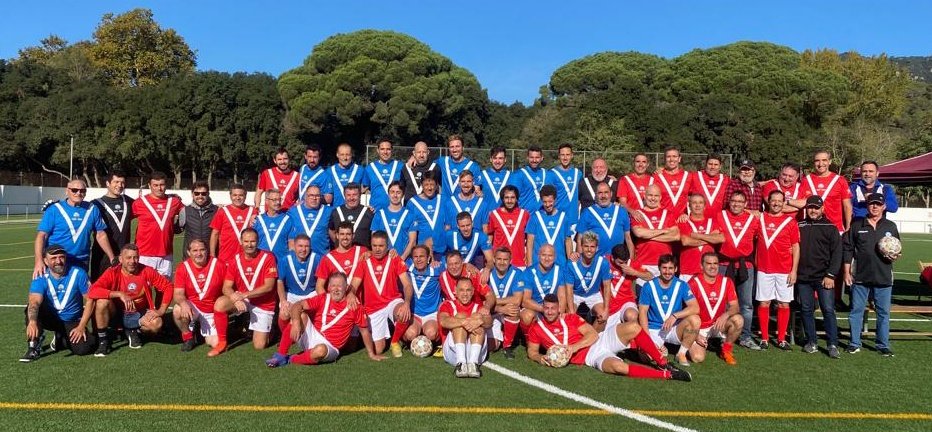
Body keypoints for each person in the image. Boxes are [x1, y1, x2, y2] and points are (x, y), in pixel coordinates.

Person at [527, 294, 691, 382]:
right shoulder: (536, 328)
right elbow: (532, 352)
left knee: (634, 326)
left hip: (599, 340)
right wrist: (540, 357)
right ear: (542, 308)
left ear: (558, 308)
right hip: (592, 357)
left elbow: (591, 333)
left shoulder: (569, 318)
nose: (549, 312)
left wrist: (573, 347)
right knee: (619, 368)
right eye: (546, 308)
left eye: (552, 308)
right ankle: (668, 376)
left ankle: (663, 364)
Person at [266, 272, 383, 367]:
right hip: (312, 336)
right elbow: (297, 305)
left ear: (346, 288)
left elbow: (364, 331)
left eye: (340, 286)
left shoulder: (354, 306)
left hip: (330, 347)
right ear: (328, 287)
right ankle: (280, 355)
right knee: (300, 315)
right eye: (333, 285)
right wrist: (296, 322)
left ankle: (292, 359)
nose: (336, 289)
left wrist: (371, 354)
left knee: (320, 350)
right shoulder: (323, 298)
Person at [88, 243, 173, 356]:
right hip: (117, 314)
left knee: (156, 324)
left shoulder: (146, 270)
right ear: (121, 259)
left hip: (138, 312)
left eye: (135, 257)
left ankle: (132, 330)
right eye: (128, 258)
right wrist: (118, 294)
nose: (132, 261)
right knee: (102, 302)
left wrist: (161, 310)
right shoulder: (112, 272)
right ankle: (103, 342)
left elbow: (168, 287)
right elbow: (93, 291)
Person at [844, 193, 900, 356]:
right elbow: (848, 248)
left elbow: (897, 248)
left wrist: (896, 254)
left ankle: (883, 345)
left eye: (878, 204)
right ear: (867, 206)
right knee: (856, 311)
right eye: (871, 204)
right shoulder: (857, 225)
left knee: (883, 313)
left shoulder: (890, 226)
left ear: (883, 207)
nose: (874, 206)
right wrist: (847, 271)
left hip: (883, 277)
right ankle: (854, 343)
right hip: (860, 277)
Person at [209, 229, 279, 357]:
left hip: (263, 302)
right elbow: (226, 287)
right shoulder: (235, 259)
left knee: (259, 346)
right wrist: (234, 297)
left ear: (258, 242)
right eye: (246, 241)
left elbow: (269, 287)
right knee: (220, 304)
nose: (249, 244)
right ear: (241, 242)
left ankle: (272, 328)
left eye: (253, 241)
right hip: (243, 300)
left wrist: (243, 295)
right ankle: (222, 343)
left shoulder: (268, 257)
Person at [21, 245, 96, 362]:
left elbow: (90, 299)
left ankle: (61, 337)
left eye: (61, 257)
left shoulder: (79, 273)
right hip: (51, 318)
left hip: (71, 319)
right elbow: (34, 301)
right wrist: (32, 321)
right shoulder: (40, 276)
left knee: (84, 348)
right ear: (45, 261)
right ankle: (33, 347)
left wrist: (81, 326)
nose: (58, 261)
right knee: (32, 309)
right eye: (53, 258)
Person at [349, 231, 413, 357]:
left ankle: (394, 342)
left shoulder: (394, 258)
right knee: (378, 349)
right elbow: (354, 285)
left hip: (392, 301)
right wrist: (351, 293)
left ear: (387, 246)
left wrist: (406, 303)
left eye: (381, 246)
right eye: (374, 246)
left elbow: (407, 284)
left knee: (403, 312)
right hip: (373, 308)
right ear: (370, 245)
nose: (377, 249)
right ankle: (384, 335)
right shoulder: (364, 260)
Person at [34, 178, 114, 279]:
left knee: (80, 293)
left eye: (82, 190)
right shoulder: (54, 209)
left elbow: (101, 235)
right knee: (55, 292)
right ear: (67, 191)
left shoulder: (92, 209)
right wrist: (39, 261)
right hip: (57, 259)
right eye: (74, 190)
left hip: (81, 260)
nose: (78, 193)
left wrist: (112, 257)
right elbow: (42, 236)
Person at [797, 196, 842, 358]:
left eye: (816, 208)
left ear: (822, 209)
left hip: (824, 278)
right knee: (806, 309)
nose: (813, 211)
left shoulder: (830, 227)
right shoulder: (799, 225)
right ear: (806, 209)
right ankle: (812, 341)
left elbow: (837, 253)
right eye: (810, 207)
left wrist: (831, 275)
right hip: (803, 278)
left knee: (828, 310)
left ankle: (832, 344)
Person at [754, 190, 800, 350]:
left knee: (784, 305)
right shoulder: (759, 218)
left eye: (780, 201)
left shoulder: (790, 222)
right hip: (764, 268)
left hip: (784, 270)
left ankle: (781, 338)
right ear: (769, 201)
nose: (776, 203)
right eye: (773, 200)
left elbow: (795, 246)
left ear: (783, 203)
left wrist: (794, 270)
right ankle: (765, 338)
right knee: (764, 303)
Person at [714, 190, 760, 350]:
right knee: (723, 302)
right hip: (723, 265)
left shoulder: (753, 220)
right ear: (729, 202)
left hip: (745, 266)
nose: (736, 204)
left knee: (746, 304)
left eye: (740, 202)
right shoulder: (720, 216)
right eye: (734, 201)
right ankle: (722, 335)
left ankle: (745, 336)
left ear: (746, 204)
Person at [638, 254, 701, 366]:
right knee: (647, 357)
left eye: (671, 268)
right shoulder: (648, 286)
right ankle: (658, 346)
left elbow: (695, 307)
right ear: (659, 268)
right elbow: (642, 313)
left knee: (695, 320)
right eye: (664, 268)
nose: (667, 272)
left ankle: (681, 353)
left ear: (676, 269)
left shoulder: (682, 285)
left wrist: (675, 316)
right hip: (654, 329)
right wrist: (647, 338)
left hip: (674, 328)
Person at [686, 253, 743, 365]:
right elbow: (686, 312)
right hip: (699, 327)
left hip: (718, 324)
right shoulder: (693, 283)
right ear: (701, 266)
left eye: (715, 263)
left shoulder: (727, 281)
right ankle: (689, 342)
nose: (713, 266)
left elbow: (735, 306)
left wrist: (725, 315)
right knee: (698, 358)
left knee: (738, 320)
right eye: (709, 263)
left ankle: (726, 350)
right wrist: (696, 334)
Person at [172, 239, 225, 353]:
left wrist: (220, 314)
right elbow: (178, 294)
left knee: (215, 343)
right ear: (188, 252)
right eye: (195, 250)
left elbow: (227, 290)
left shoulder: (219, 265)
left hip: (212, 310)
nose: (199, 253)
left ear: (207, 250)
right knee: (178, 309)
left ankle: (198, 331)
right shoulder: (183, 267)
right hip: (193, 307)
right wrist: (183, 304)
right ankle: (188, 337)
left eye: (202, 250)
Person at [438, 277, 493, 378]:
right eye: (461, 290)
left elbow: (489, 322)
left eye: (468, 290)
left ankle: (473, 364)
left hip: (476, 351)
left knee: (477, 317)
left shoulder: (478, 306)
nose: (465, 294)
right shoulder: (447, 304)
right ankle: (461, 364)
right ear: (455, 291)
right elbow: (443, 321)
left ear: (472, 291)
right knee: (460, 317)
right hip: (453, 352)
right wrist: (465, 322)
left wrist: (479, 321)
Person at [132, 171, 183, 277]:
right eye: (155, 185)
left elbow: (188, 212)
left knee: (164, 290)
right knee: (144, 290)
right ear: (150, 185)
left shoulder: (174, 202)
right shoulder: (139, 203)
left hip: (166, 254)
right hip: (144, 254)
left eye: (162, 185)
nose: (159, 188)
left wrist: (179, 227)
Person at [482, 247, 525, 358]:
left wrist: (493, 301)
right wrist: (499, 308)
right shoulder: (485, 273)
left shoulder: (517, 273)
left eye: (505, 259)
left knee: (514, 310)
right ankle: (495, 339)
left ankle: (507, 345)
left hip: (506, 310)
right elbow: (481, 302)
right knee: (491, 346)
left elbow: (517, 299)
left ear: (510, 261)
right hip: (491, 312)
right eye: (499, 259)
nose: (502, 262)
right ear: (494, 260)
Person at [91, 171, 134, 280]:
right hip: (102, 257)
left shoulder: (129, 201)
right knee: (100, 292)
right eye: (116, 182)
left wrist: (169, 196)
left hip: (124, 256)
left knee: (123, 292)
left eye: (122, 182)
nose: (120, 185)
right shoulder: (95, 204)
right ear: (107, 183)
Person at [276, 234, 322, 337]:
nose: (303, 249)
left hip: (311, 293)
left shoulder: (317, 258)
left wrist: (321, 299)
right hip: (292, 294)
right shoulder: (285, 260)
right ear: (294, 246)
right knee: (284, 313)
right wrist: (283, 301)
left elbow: (321, 281)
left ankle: (313, 334)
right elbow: (280, 282)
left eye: (306, 246)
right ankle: (287, 337)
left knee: (315, 314)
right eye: (300, 246)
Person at [631, 184, 680, 279]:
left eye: (656, 196)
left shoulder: (668, 214)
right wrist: (664, 230)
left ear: (660, 197)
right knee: (644, 292)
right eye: (650, 195)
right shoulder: (637, 214)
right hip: (643, 264)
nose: (653, 198)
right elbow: (639, 233)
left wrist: (648, 235)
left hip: (665, 265)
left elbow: (676, 236)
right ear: (644, 196)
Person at [576, 181, 634, 259]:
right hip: (595, 261)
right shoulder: (587, 212)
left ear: (611, 194)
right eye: (600, 193)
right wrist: (581, 261)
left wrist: (631, 261)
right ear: (595, 195)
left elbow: (628, 238)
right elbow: (580, 239)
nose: (603, 196)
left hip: (617, 261)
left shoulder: (622, 211)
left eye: (606, 192)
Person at [567, 231, 612, 331]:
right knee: (570, 317)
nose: (589, 250)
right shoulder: (572, 264)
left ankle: (592, 341)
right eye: (586, 246)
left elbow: (607, 286)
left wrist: (606, 309)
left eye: (592, 247)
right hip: (576, 295)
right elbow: (569, 289)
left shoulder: (603, 263)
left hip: (594, 294)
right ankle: (575, 340)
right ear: (581, 247)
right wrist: (571, 310)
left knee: (603, 316)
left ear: (597, 248)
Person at [404, 245, 444, 352]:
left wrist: (469, 266)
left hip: (431, 314)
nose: (418, 259)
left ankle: (437, 341)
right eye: (415, 257)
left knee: (431, 333)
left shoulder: (437, 269)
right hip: (414, 314)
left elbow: (455, 263)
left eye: (422, 256)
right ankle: (408, 337)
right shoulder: (407, 269)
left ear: (428, 258)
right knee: (410, 334)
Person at [520, 245, 570, 330]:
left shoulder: (560, 271)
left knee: (566, 316)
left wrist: (558, 312)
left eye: (550, 255)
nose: (547, 259)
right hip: (536, 308)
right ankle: (530, 341)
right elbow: (525, 301)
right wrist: (545, 309)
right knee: (527, 316)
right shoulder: (528, 272)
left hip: (553, 309)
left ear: (555, 257)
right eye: (543, 255)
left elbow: (561, 297)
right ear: (538, 256)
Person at [803, 150, 852, 233]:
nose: (820, 164)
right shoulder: (806, 180)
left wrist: (848, 227)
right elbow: (801, 203)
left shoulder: (840, 180)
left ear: (830, 162)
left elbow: (847, 206)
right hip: (812, 228)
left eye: (824, 160)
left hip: (835, 228)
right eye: (817, 160)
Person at [677, 193, 723, 281]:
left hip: (708, 272)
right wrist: (710, 239)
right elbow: (686, 241)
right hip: (688, 272)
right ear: (689, 206)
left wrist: (697, 236)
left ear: (705, 206)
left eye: (700, 203)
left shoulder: (712, 222)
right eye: (694, 203)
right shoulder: (683, 221)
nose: (697, 205)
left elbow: (720, 238)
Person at [606, 243, 653, 328]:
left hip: (626, 301)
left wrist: (634, 272)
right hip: (607, 303)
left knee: (632, 316)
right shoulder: (603, 261)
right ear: (612, 258)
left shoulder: (631, 264)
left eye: (625, 262)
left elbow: (650, 276)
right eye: (620, 262)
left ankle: (633, 340)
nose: (624, 264)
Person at [526, 185, 574, 267]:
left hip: (559, 263)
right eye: (544, 202)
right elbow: (530, 243)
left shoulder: (564, 218)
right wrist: (530, 263)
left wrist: (569, 261)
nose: (547, 205)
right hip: (539, 264)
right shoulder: (535, 217)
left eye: (550, 201)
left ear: (555, 200)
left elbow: (568, 241)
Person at [370, 181, 417, 261]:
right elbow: (374, 239)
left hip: (403, 260)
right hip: (383, 260)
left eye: (398, 192)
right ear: (388, 194)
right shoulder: (379, 214)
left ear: (403, 195)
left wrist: (402, 258)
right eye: (392, 192)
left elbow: (412, 241)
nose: (395, 195)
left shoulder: (410, 215)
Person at [210, 184, 256, 263]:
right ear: (230, 196)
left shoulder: (253, 211)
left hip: (247, 258)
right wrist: (212, 256)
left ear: (245, 195)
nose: (237, 198)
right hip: (226, 258)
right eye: (235, 195)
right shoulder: (222, 211)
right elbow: (215, 234)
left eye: (241, 195)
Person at [487, 185, 530, 267]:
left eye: (512, 197)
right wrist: (489, 258)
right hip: (500, 263)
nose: (509, 201)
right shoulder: (494, 214)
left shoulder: (525, 214)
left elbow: (529, 238)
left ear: (517, 199)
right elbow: (490, 237)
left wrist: (528, 255)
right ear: (503, 199)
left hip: (520, 262)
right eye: (506, 197)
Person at [407, 171, 446, 260]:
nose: (429, 188)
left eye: (432, 184)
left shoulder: (444, 200)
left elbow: (448, 226)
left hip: (441, 249)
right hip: (421, 250)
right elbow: (410, 230)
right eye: (426, 185)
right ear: (422, 185)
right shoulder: (412, 203)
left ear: (436, 185)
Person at [288, 185, 333, 255]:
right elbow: (290, 238)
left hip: (322, 257)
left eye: (317, 195)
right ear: (305, 196)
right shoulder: (293, 211)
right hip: (301, 258)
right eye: (311, 195)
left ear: (321, 197)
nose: (314, 198)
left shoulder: (329, 211)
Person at [177, 181, 217, 258]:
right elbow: (177, 229)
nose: (200, 196)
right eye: (197, 193)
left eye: (203, 193)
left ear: (208, 194)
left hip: (210, 256)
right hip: (190, 257)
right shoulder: (185, 211)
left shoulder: (217, 211)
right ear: (192, 194)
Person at [546, 143, 583, 228]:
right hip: (558, 219)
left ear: (572, 155)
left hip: (574, 220)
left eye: (567, 155)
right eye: (562, 155)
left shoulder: (578, 173)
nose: (565, 158)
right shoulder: (552, 174)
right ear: (559, 156)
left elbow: (580, 194)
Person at [328, 182, 373, 248]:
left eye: (354, 195)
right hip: (343, 254)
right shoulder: (336, 212)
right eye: (348, 195)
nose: (351, 198)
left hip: (362, 255)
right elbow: (331, 230)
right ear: (344, 196)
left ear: (360, 195)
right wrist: (338, 243)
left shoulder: (369, 212)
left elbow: (373, 234)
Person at [253, 189, 293, 260]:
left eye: (279, 199)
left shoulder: (288, 220)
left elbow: (291, 244)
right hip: (263, 263)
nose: (278, 202)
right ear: (267, 201)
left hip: (281, 262)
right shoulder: (257, 220)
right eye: (274, 200)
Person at [255, 147, 299, 211]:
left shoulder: (297, 176)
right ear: (275, 160)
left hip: (289, 216)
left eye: (285, 159)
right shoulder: (267, 173)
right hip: (271, 215)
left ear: (289, 159)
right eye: (279, 159)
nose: (283, 162)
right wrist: (256, 208)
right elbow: (259, 193)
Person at [364, 139, 402, 211]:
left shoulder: (400, 166)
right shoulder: (369, 168)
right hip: (375, 211)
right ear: (377, 150)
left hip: (396, 211)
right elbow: (363, 189)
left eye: (388, 149)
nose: (385, 152)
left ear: (392, 150)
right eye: (382, 149)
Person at [688, 154, 730, 218]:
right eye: (710, 164)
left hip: (717, 221)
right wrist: (684, 212)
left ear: (720, 166)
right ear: (705, 164)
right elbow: (682, 195)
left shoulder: (726, 180)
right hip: (698, 221)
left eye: (716, 165)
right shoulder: (694, 176)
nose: (712, 167)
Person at [654, 146, 691, 216]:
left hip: (682, 219)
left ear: (679, 159)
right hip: (664, 219)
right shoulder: (657, 176)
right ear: (665, 159)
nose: (671, 159)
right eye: (668, 156)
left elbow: (694, 197)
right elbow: (654, 199)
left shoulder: (688, 176)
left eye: (674, 156)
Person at [328, 143, 365, 207]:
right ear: (337, 155)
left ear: (351, 155)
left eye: (347, 154)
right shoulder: (329, 172)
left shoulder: (360, 170)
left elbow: (366, 186)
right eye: (342, 154)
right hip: (335, 211)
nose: (345, 158)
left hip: (354, 210)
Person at [513, 146, 547, 212]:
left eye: (537, 157)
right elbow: (513, 197)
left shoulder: (547, 174)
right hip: (525, 217)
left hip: (541, 218)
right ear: (527, 158)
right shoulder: (519, 174)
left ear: (541, 158)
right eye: (531, 157)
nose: (534, 160)